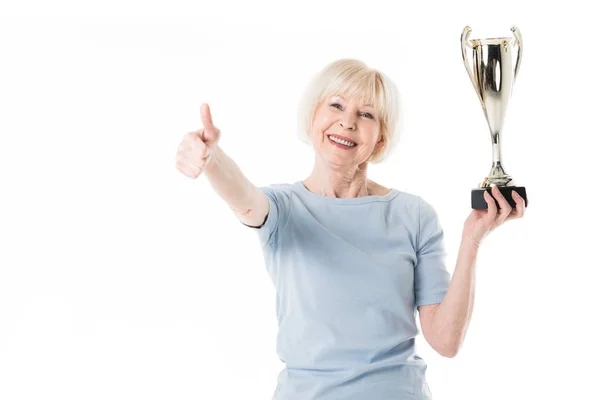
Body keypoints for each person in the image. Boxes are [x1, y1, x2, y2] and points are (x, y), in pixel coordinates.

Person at [175, 58, 527, 400]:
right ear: (313, 117)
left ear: (381, 139)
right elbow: (245, 198)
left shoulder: (414, 214)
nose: (347, 122)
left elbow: (446, 341)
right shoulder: (282, 207)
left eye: (367, 114)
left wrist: (472, 240)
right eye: (336, 105)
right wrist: (213, 160)